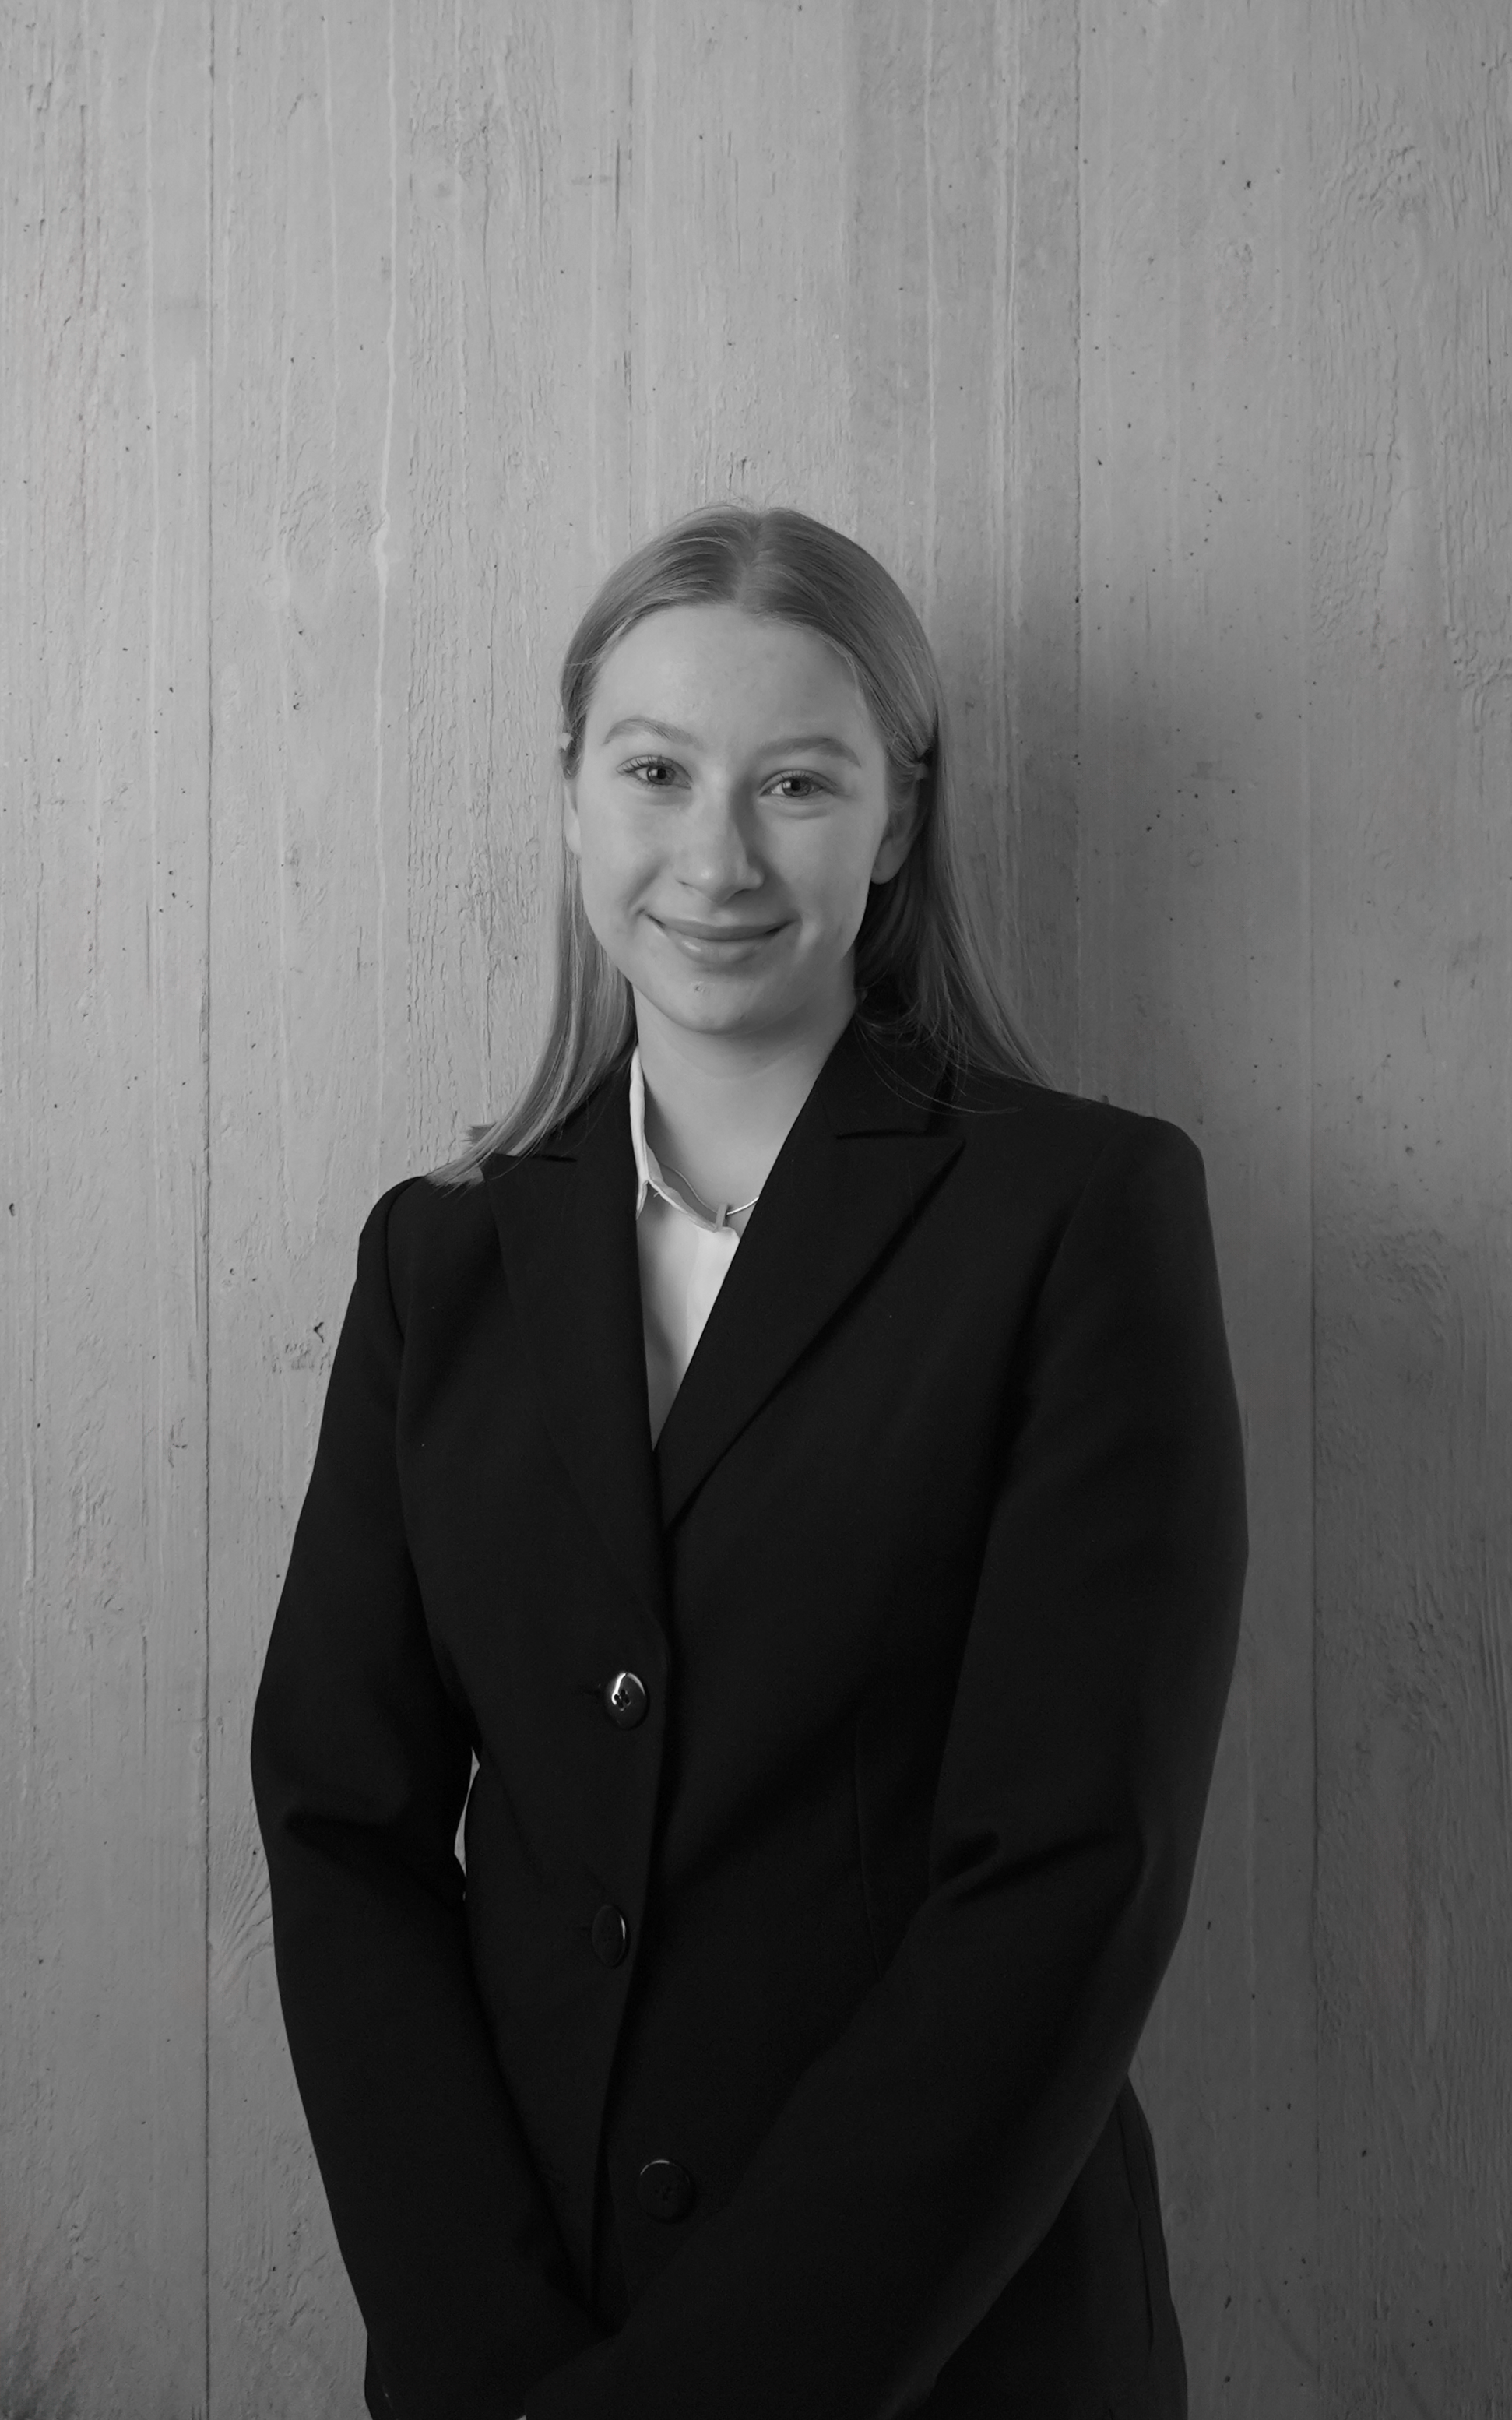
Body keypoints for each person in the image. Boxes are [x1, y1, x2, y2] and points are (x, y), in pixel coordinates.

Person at [250, 501, 1247, 2420]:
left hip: (948, 2360)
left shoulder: (1081, 1217)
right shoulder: (434, 1263)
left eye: (795, 781)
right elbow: (340, 1827)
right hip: (520, 2351)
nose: (713, 857)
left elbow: (1068, 1873)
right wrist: (483, 2359)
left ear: (894, 819)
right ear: (571, 798)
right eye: (653, 772)